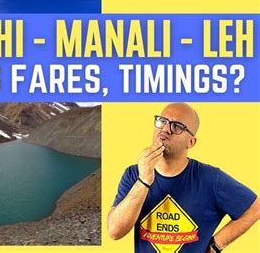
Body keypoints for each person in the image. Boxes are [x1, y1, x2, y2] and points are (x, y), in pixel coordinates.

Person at [107, 103, 260, 252]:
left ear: (191, 142)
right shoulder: (133, 174)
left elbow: (255, 208)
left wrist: (216, 245)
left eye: (177, 126)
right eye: (162, 121)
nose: (165, 129)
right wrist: (143, 181)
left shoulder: (211, 179)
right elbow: (114, 231)